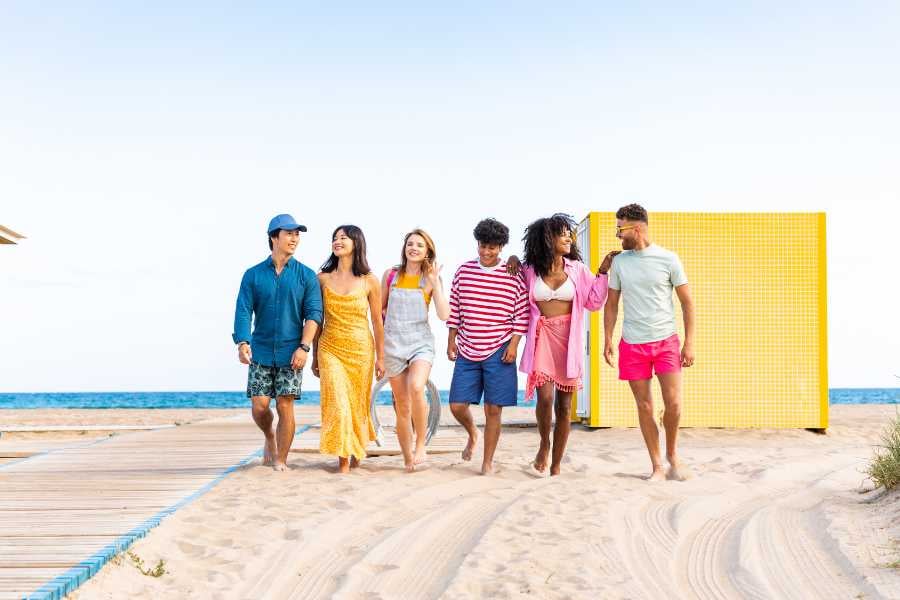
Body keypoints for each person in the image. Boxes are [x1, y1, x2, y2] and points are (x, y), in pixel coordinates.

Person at [516, 214, 617, 476]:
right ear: (547, 238)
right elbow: (513, 293)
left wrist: (603, 272)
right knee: (546, 397)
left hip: (568, 341)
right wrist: (512, 261)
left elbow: (594, 303)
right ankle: (544, 444)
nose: (568, 238)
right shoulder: (529, 271)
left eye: (569, 234)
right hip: (542, 338)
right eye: (562, 234)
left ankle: (557, 464)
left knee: (564, 406)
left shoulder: (578, 270)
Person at [603, 203, 695, 482]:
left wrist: (689, 343)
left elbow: (687, 303)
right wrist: (608, 338)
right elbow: (612, 304)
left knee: (674, 404)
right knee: (644, 406)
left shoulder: (668, 259)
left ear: (637, 228)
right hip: (632, 344)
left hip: (666, 340)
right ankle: (656, 465)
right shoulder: (619, 262)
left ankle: (673, 454)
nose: (618, 235)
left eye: (620, 228)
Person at [233, 214, 322, 472]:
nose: (294, 238)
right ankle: (269, 436)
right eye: (289, 233)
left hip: (291, 352)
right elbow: (243, 310)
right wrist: (242, 342)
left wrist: (304, 347)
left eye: (297, 234)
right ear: (274, 237)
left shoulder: (306, 276)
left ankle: (281, 459)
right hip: (260, 351)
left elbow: (314, 314)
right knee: (260, 406)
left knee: (285, 404)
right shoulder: (252, 275)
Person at [447, 218, 528, 475]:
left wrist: (514, 344)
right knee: (457, 405)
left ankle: (487, 462)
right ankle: (473, 433)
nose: (486, 251)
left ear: (501, 247)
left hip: (500, 348)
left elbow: (521, 313)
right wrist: (451, 340)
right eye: (482, 245)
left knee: (493, 409)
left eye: (492, 247)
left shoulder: (513, 275)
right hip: (468, 347)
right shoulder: (463, 271)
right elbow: (455, 309)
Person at [311, 225, 385, 474]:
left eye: (343, 237)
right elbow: (316, 319)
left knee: (356, 406)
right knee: (339, 405)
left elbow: (377, 321)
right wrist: (314, 356)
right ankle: (343, 463)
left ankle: (356, 450)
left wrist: (381, 359)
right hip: (330, 348)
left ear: (357, 243)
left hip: (361, 351)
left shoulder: (370, 281)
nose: (337, 241)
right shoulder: (321, 279)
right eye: (334, 237)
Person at [381, 229, 450, 471]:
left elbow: (443, 315)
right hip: (393, 344)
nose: (414, 248)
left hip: (420, 342)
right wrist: (379, 352)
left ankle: (421, 444)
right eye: (410, 244)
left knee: (417, 387)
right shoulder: (390, 275)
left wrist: (436, 286)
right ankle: (408, 458)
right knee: (402, 405)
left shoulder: (431, 279)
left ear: (427, 251)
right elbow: (380, 313)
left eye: (420, 245)